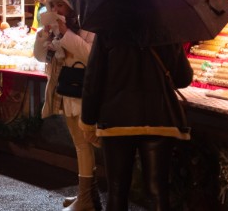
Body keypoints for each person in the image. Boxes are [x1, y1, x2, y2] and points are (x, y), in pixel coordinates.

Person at [80, 35, 193, 211]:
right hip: (159, 119)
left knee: (117, 191)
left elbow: (93, 79)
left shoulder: (107, 29)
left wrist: (87, 121)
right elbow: (183, 78)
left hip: (116, 120)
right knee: (158, 192)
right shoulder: (166, 31)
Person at [32, 0, 99, 211]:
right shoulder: (54, 29)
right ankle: (87, 194)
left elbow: (90, 56)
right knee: (80, 144)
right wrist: (43, 36)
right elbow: (40, 57)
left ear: (71, 6)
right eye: (51, 6)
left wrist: (65, 33)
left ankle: (87, 199)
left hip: (84, 93)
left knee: (84, 144)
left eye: (59, 5)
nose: (55, 10)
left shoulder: (88, 26)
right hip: (65, 90)